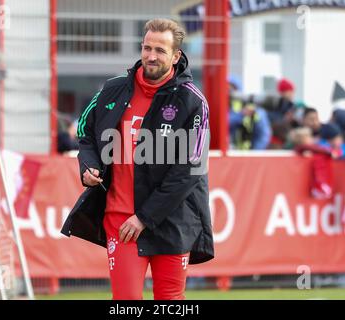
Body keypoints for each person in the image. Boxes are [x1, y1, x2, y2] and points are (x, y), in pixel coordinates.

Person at [61, 18, 214, 300]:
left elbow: (190, 170)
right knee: (127, 300)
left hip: (173, 220)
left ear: (176, 55)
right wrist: (88, 165)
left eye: (160, 50)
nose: (151, 56)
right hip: (120, 221)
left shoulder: (193, 101)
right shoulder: (113, 89)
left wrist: (144, 217)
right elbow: (86, 132)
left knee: (169, 299)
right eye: (146, 48)